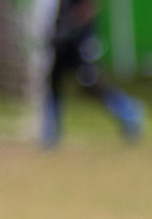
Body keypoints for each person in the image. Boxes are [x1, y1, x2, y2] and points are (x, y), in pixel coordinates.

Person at [40, 0, 143, 148]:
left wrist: (72, 25)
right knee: (53, 80)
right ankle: (50, 133)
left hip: (80, 37)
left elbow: (90, 6)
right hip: (61, 39)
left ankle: (128, 112)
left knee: (90, 81)